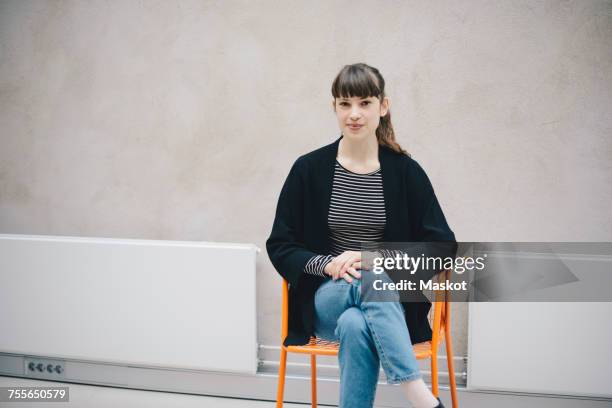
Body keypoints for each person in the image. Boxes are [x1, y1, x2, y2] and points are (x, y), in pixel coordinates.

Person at [266, 63, 455, 408]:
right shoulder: (308, 169)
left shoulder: (406, 172)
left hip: (389, 304)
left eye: (365, 103)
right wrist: (328, 265)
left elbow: (442, 247)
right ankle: (420, 397)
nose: (354, 114)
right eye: (345, 104)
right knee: (364, 281)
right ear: (334, 107)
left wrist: (376, 259)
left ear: (383, 106)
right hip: (325, 299)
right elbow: (280, 244)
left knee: (356, 323)